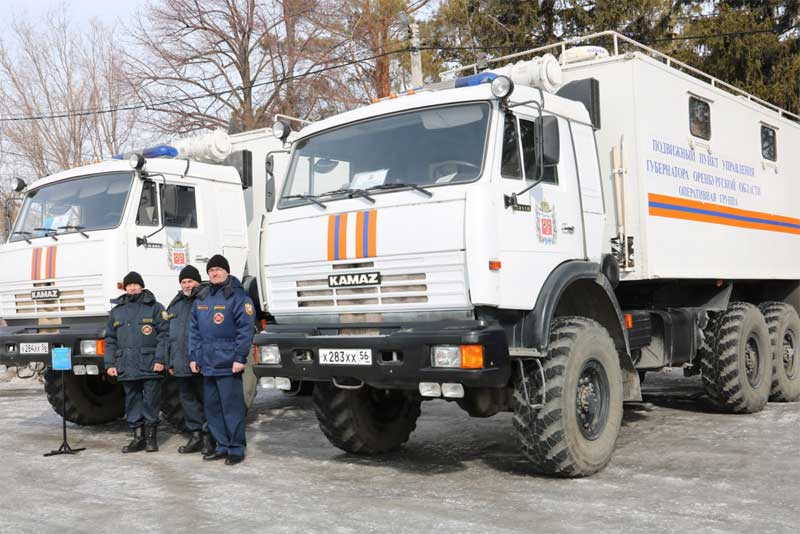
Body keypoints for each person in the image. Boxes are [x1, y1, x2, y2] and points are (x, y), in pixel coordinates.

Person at [189, 254, 255, 465]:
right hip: (207, 363)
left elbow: (245, 331)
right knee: (213, 408)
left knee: (231, 408)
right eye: (211, 270)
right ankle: (222, 445)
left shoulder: (238, 297)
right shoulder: (203, 297)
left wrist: (239, 357)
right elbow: (194, 331)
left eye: (218, 269)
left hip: (228, 363)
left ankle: (236, 448)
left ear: (227, 271)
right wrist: (194, 357)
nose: (214, 273)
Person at [104, 271, 168, 453]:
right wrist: (110, 364)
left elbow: (164, 336)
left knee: (151, 401)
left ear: (142, 286)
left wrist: (160, 359)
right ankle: (137, 437)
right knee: (132, 401)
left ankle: (150, 439)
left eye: (135, 284)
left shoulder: (155, 308)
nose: (132, 287)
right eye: (129, 285)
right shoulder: (116, 312)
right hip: (126, 364)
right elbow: (110, 339)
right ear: (125, 288)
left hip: (150, 364)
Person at [165, 265, 215, 455]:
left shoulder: (206, 299)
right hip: (180, 362)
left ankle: (210, 437)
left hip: (201, 362)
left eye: (190, 281)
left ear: (198, 281)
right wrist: (170, 361)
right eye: (183, 282)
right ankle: (196, 435)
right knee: (187, 400)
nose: (187, 285)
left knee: (207, 399)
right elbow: (168, 335)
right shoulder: (175, 303)